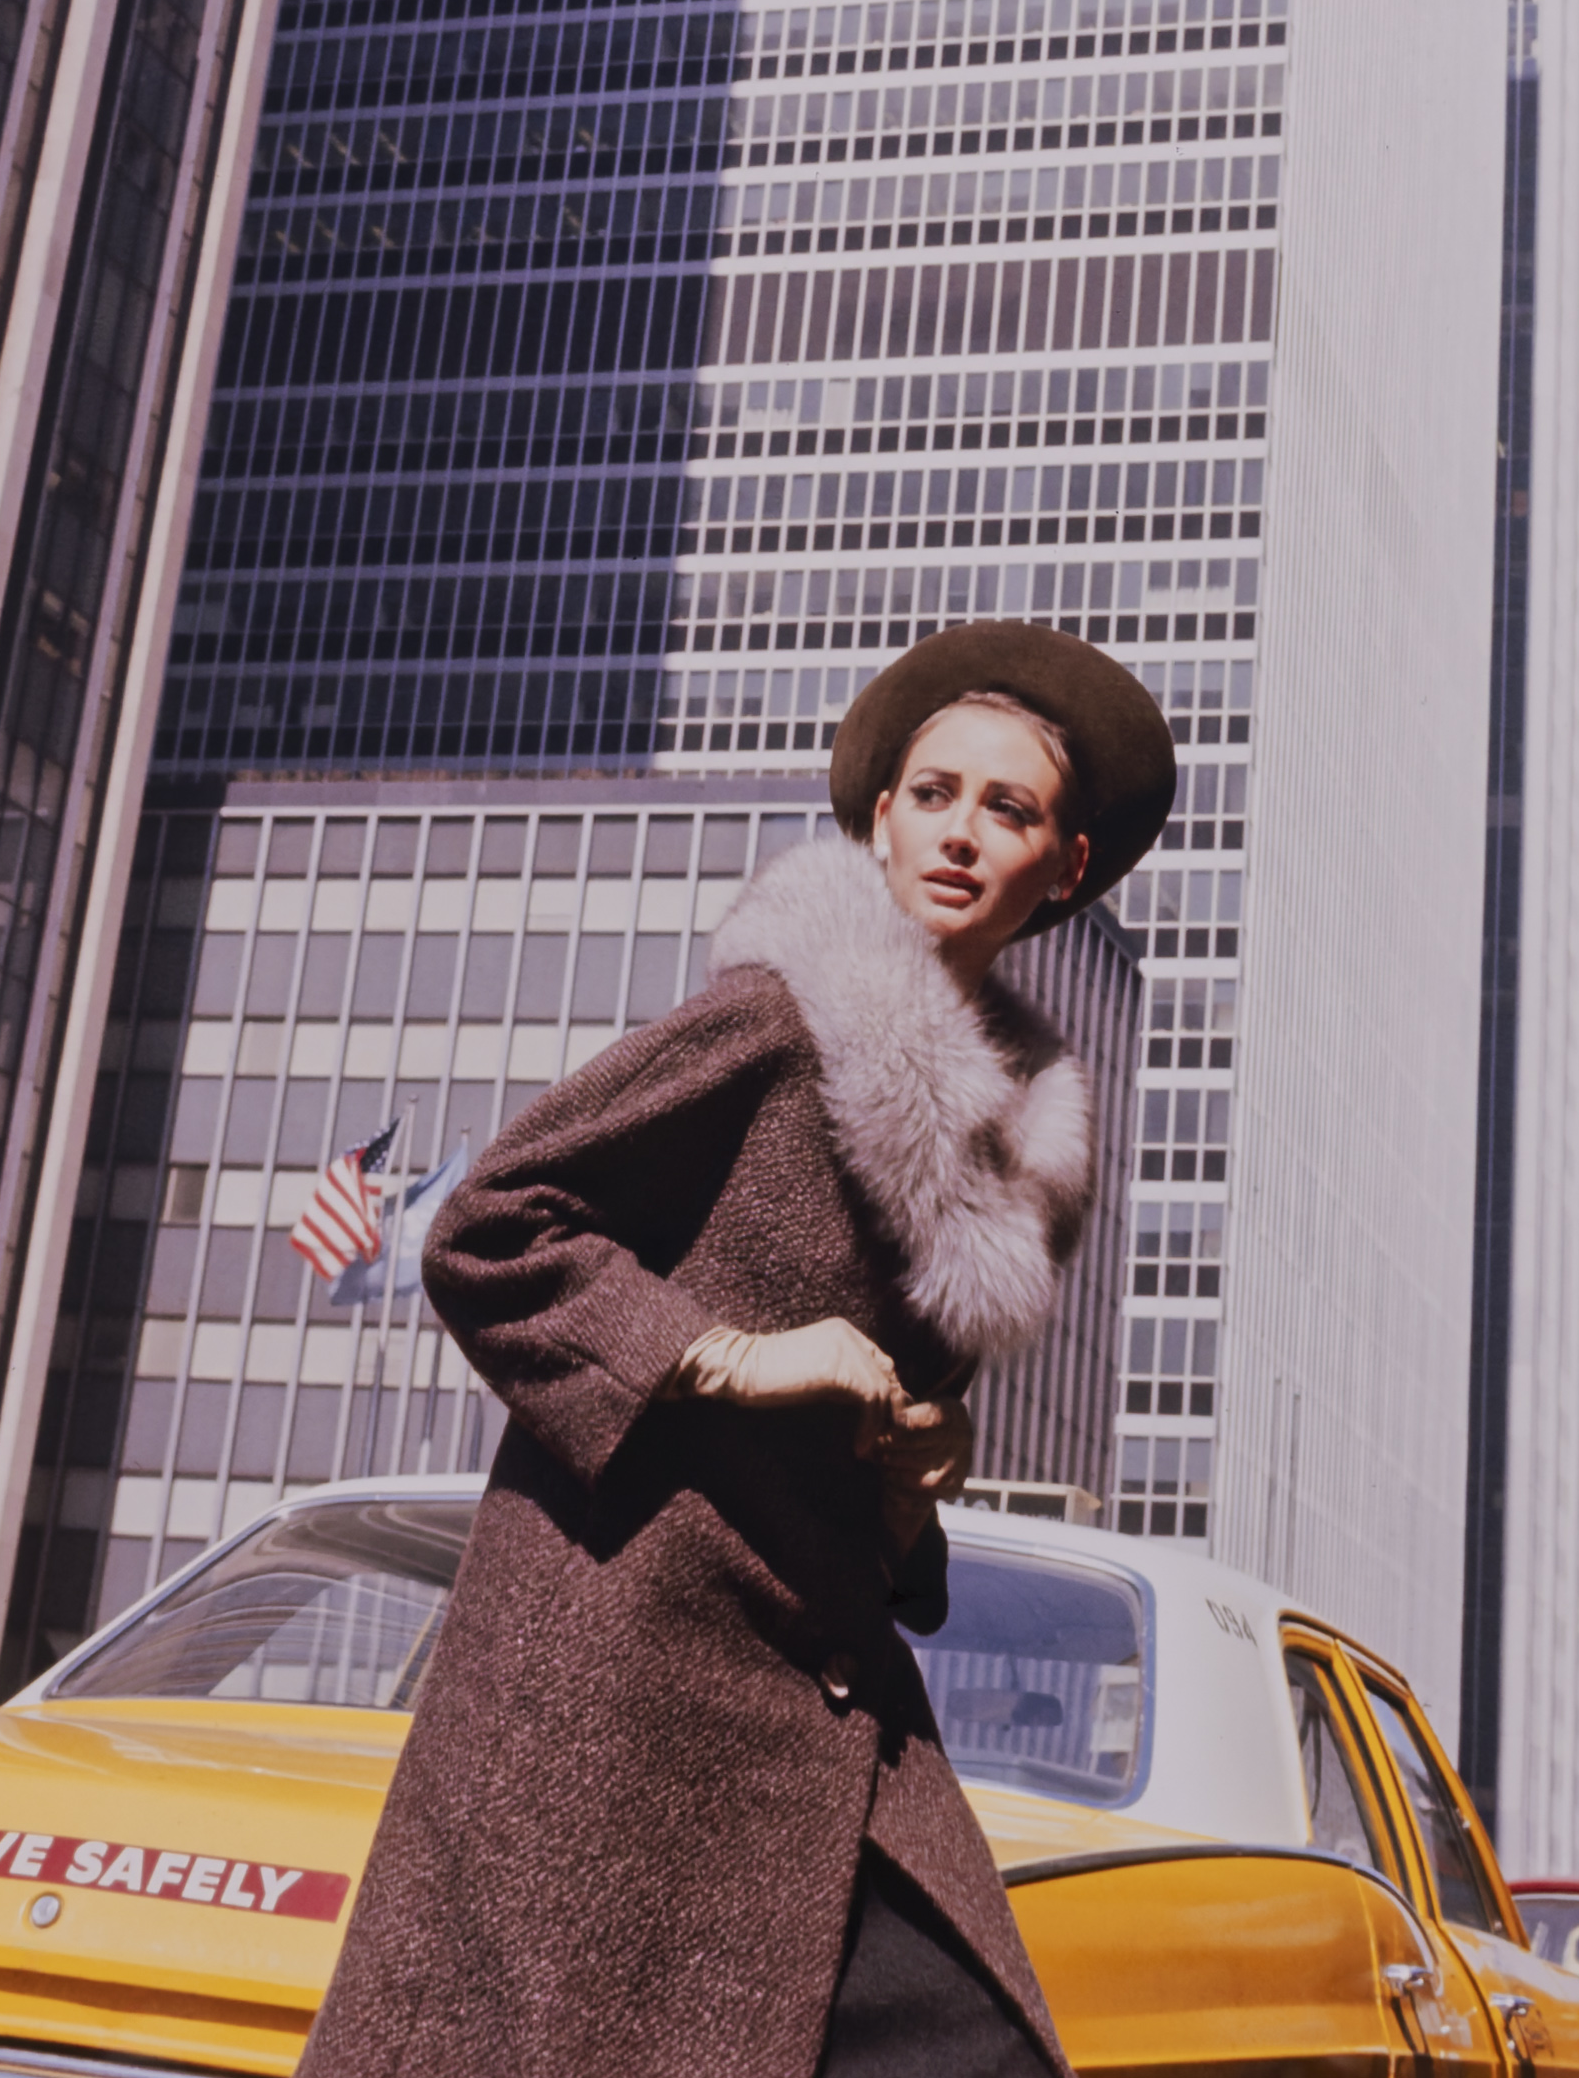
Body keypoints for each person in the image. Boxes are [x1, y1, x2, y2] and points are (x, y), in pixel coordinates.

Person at [300, 619, 1174, 2078]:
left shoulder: (1015, 1168)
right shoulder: (772, 1021)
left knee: (983, 2052)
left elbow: (862, 1451)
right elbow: (495, 1225)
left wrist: (916, 1477)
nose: (962, 833)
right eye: (935, 794)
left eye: (1007, 810)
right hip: (613, 1668)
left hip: (817, 1697)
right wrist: (718, 1354)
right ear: (877, 818)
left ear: (1063, 867)